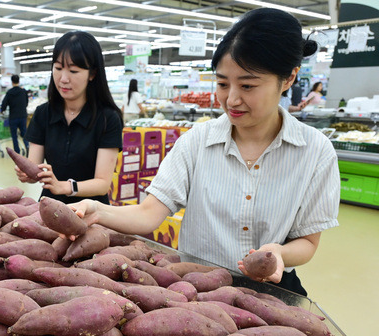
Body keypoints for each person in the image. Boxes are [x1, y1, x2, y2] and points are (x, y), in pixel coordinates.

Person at [70, 8, 340, 296]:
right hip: (196, 288)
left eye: (247, 85)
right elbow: (148, 215)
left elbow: (308, 243)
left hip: (270, 292)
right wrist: (98, 210)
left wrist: (280, 254)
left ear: (288, 79)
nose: (231, 99)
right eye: (223, 83)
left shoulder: (316, 152)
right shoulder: (196, 142)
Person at [17, 31, 123, 204]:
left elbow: (102, 184)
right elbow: (35, 169)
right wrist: (27, 174)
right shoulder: (43, 113)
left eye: (73, 70)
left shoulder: (108, 119)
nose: (63, 79)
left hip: (92, 212)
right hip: (49, 208)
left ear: (92, 74)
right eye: (58, 68)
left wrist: (64, 187)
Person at [0, 74, 29, 155]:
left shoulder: (9, 92)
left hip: (13, 117)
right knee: (24, 133)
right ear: (18, 81)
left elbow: (4, 104)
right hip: (23, 116)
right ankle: (27, 146)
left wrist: (2, 110)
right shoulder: (23, 91)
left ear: (12, 82)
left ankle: (17, 152)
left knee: (14, 135)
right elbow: (26, 102)